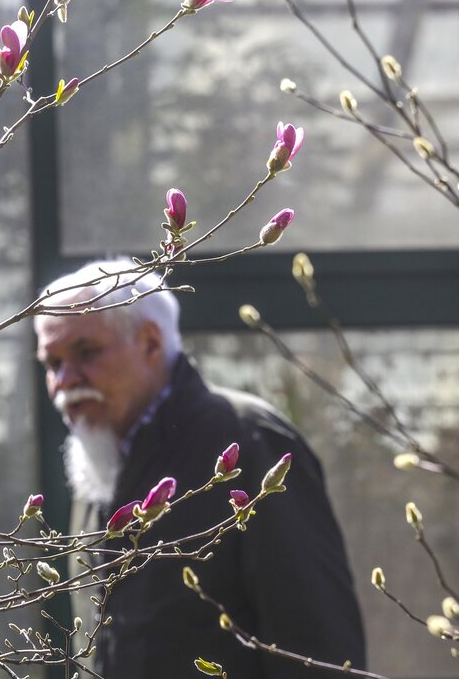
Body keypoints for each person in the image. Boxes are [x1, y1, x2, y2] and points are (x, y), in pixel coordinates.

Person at [34, 258, 365, 679]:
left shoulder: (248, 442)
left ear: (151, 342)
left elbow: (319, 651)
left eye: (85, 352)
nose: (65, 380)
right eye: (52, 363)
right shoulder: (94, 468)